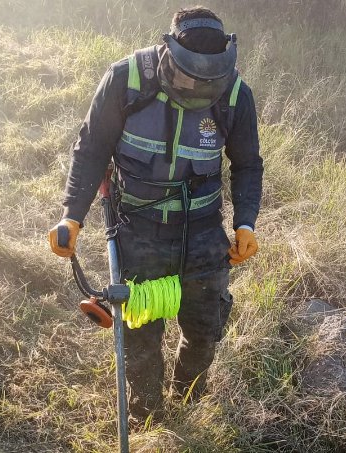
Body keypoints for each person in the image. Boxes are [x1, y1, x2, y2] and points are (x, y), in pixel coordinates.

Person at [47, 6, 263, 422]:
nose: (201, 87)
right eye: (190, 78)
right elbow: (91, 150)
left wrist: (245, 222)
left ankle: (187, 400)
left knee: (205, 329)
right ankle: (148, 414)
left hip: (202, 233)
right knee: (140, 335)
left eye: (210, 81)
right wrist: (72, 214)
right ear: (168, 51)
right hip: (137, 229)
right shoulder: (126, 80)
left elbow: (248, 164)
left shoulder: (235, 95)